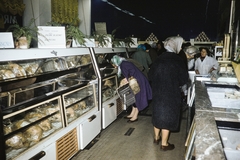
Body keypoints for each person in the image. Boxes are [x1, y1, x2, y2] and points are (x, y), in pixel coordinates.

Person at [148, 36, 188, 151]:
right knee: (167, 116)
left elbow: (150, 76)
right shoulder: (177, 60)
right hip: (171, 93)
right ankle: (164, 144)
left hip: (158, 92)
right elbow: (183, 79)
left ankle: (156, 137)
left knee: (157, 113)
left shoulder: (159, 58)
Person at [111, 55, 152, 123]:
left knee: (137, 99)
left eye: (113, 63)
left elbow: (130, 75)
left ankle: (135, 116)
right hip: (138, 81)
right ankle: (132, 113)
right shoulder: (124, 63)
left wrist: (123, 82)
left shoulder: (123, 65)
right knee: (134, 98)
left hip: (138, 83)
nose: (113, 65)